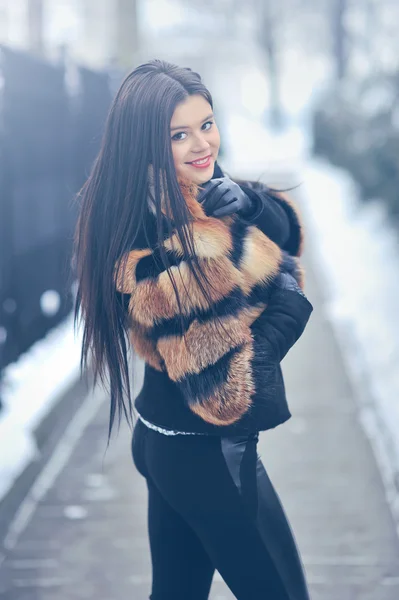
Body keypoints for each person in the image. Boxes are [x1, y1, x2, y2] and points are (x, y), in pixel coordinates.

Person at [73, 59, 313, 600]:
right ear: (146, 146)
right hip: (208, 456)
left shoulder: (180, 197)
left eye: (207, 123)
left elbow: (286, 235)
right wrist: (290, 309)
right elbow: (223, 389)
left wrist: (249, 203)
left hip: (168, 441)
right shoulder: (170, 247)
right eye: (179, 134)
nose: (202, 144)